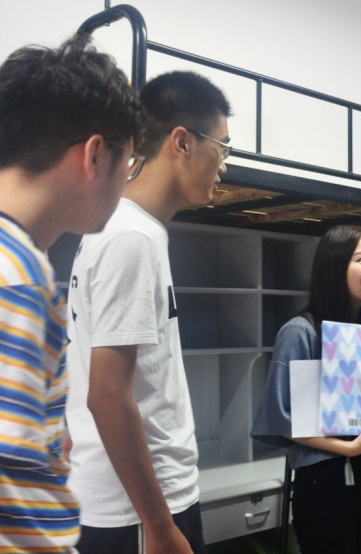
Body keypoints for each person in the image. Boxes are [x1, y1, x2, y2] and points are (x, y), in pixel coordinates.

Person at [65, 71, 231, 554]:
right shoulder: (130, 238)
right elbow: (107, 396)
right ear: (182, 142)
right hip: (136, 512)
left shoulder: (130, 230)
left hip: (137, 502)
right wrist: (159, 526)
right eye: (222, 147)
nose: (224, 166)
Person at [0, 35, 142, 553]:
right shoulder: (18, 276)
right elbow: (11, 495)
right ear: (95, 155)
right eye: (130, 163)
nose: (126, 182)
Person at [251, 225, 361, 554]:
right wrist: (347, 449)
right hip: (326, 482)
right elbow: (281, 420)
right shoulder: (300, 332)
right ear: (334, 267)